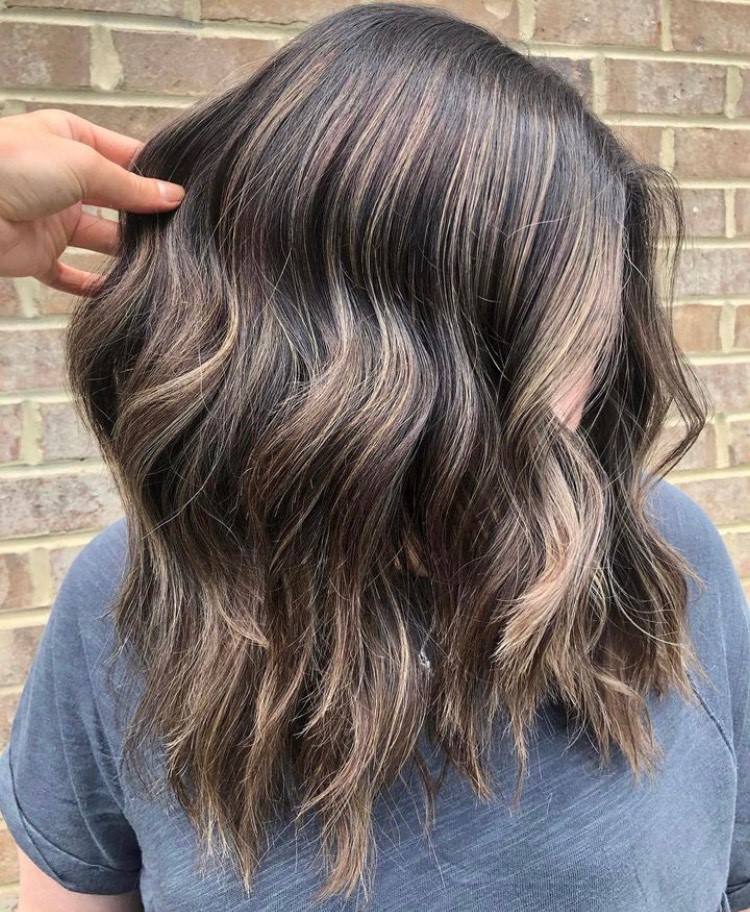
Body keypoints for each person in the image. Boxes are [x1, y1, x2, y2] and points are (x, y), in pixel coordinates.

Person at [0, 4, 748, 911]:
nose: (583, 398)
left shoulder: (663, 557)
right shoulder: (128, 598)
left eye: (594, 339)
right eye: (553, 346)